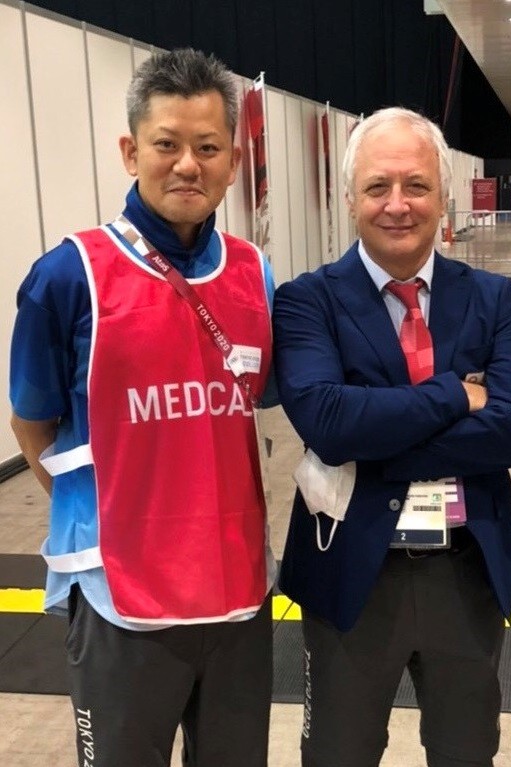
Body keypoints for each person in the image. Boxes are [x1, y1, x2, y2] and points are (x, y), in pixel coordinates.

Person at [9, 48, 276, 767]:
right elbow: (30, 421)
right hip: (120, 598)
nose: (187, 163)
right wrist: (99, 507)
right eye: (167, 144)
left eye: (208, 147)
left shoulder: (255, 274)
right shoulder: (68, 276)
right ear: (132, 152)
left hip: (239, 595)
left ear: (232, 160)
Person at [274, 107, 511, 767]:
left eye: (416, 185)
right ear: (349, 199)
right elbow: (328, 423)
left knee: (465, 751)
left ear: (444, 195)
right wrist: (456, 394)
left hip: (466, 570)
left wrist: (377, 432)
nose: (397, 204)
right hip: (351, 573)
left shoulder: (494, 297)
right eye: (377, 187)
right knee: (338, 751)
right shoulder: (307, 300)